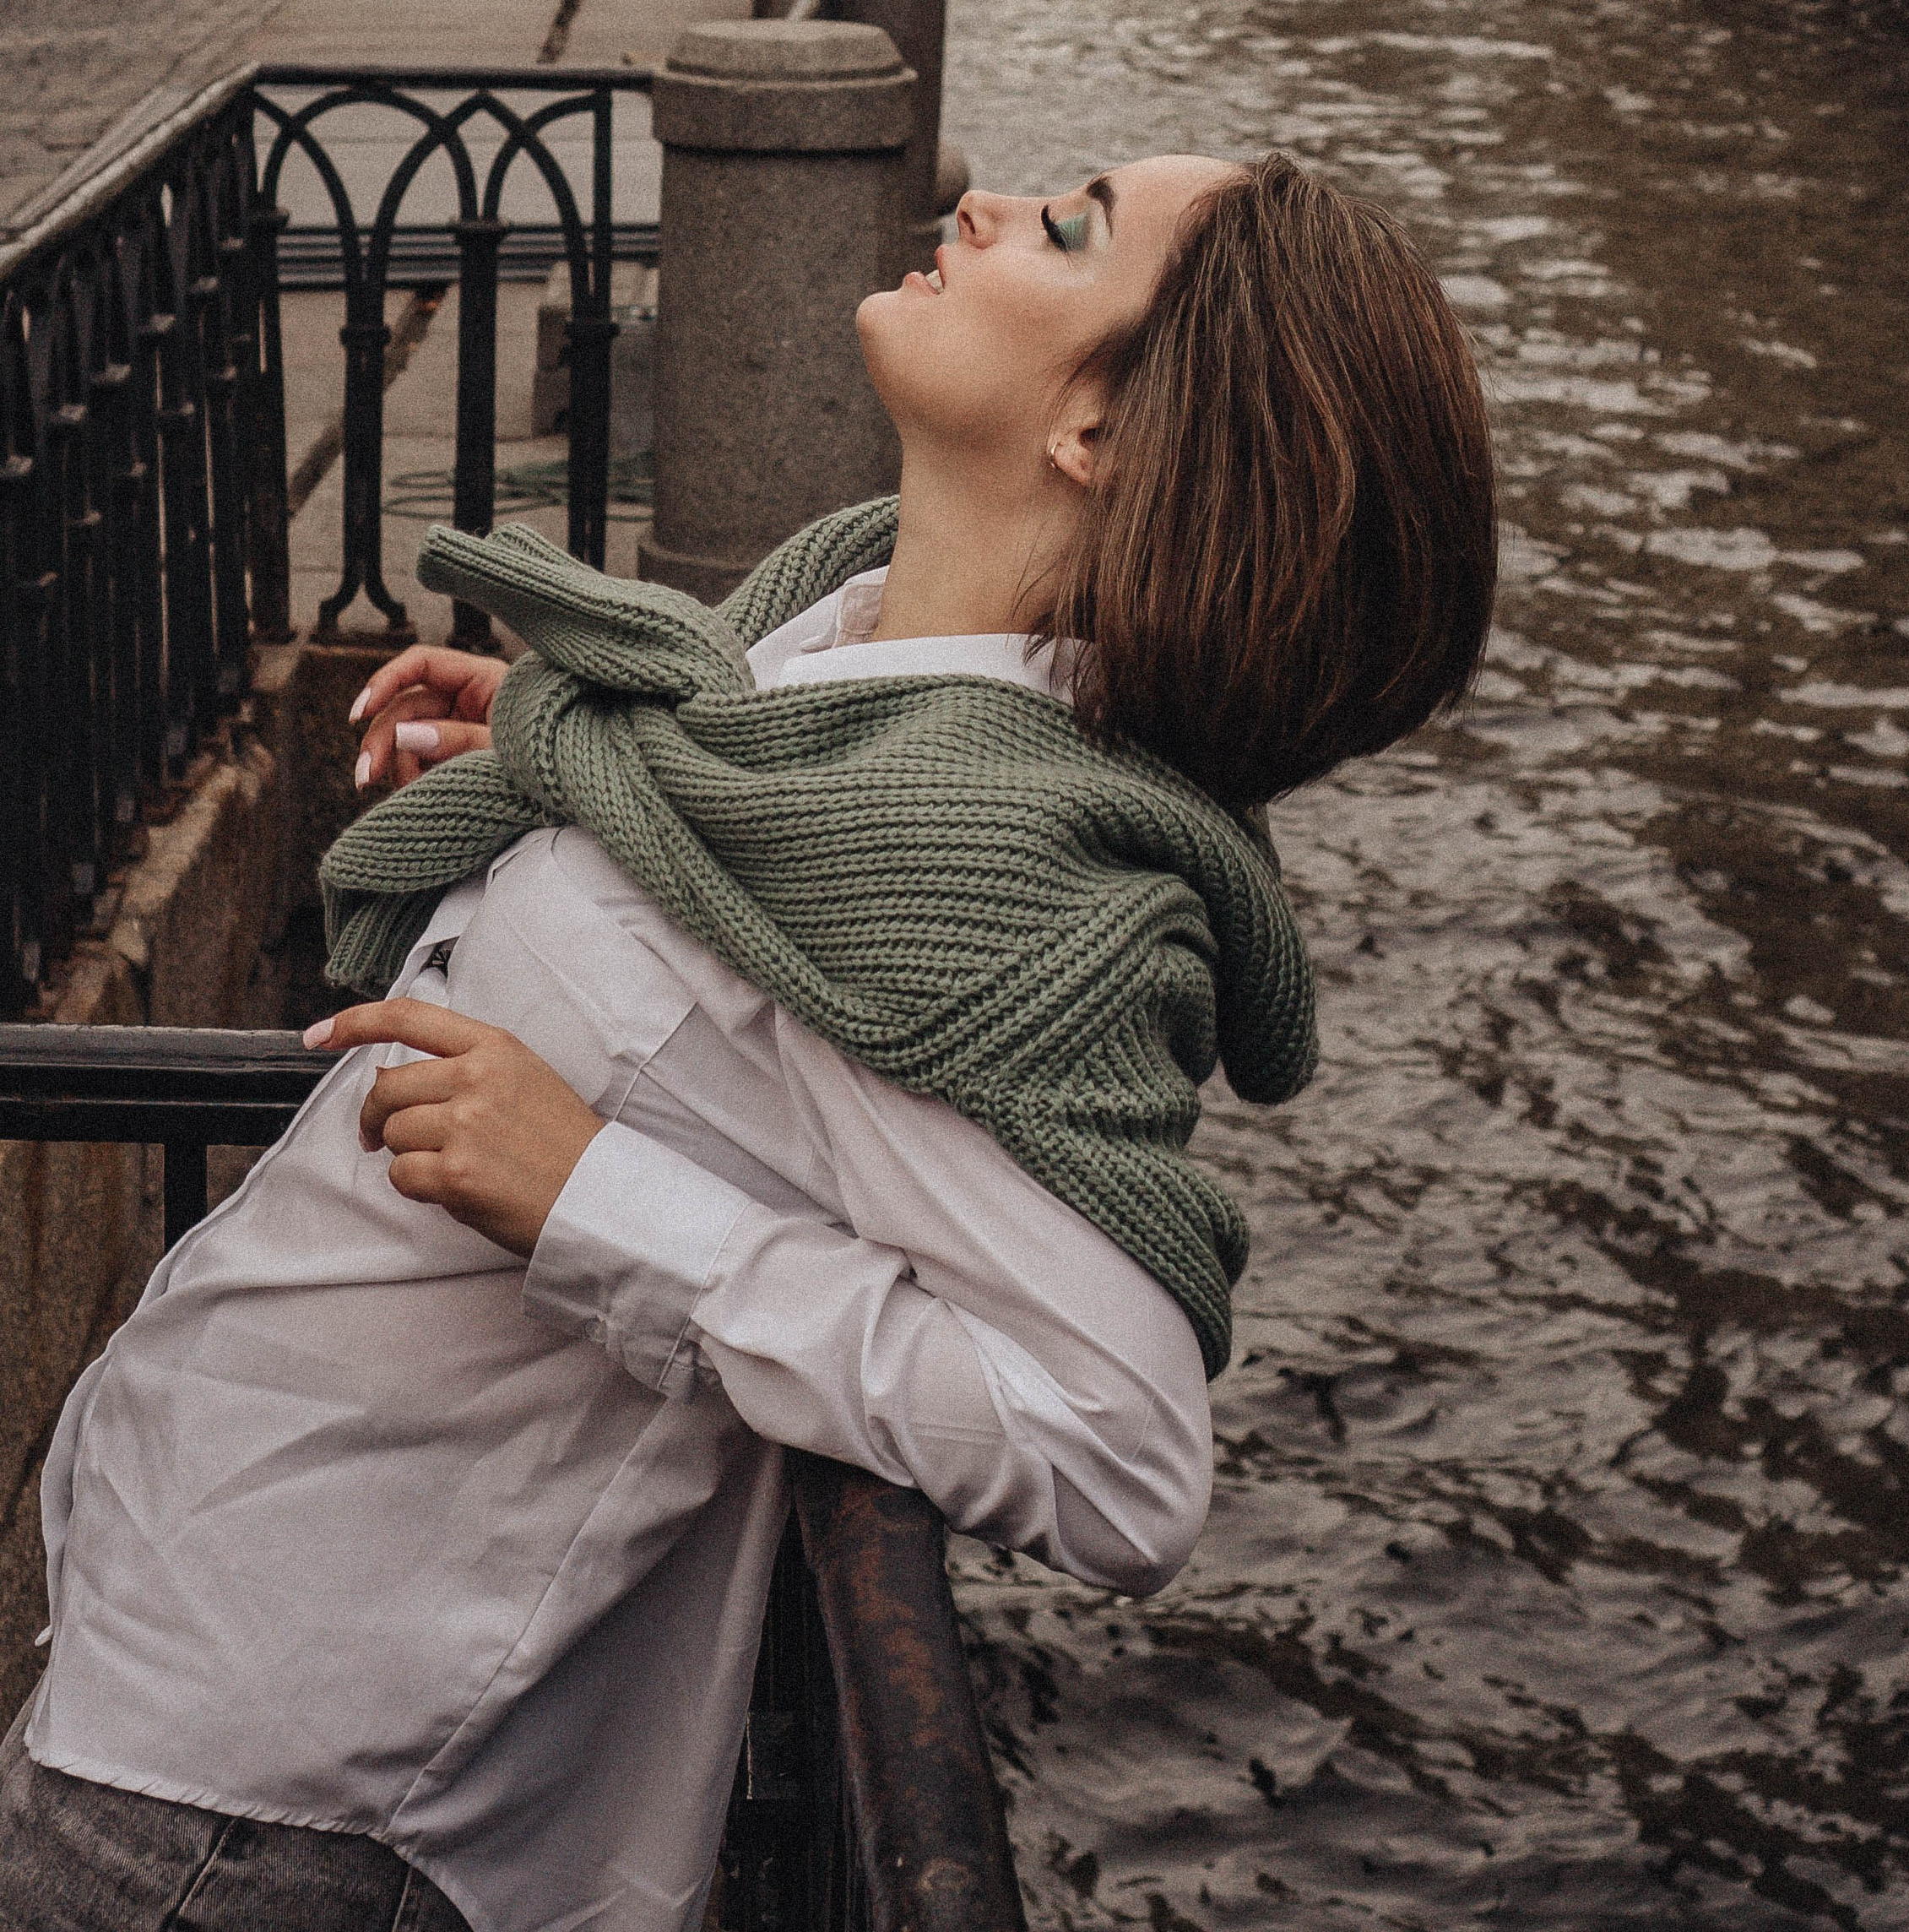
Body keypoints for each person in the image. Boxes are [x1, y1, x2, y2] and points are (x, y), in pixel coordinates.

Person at [0, 153, 1495, 1932]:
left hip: (283, 1771)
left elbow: (1113, 1456)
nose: (984, 200)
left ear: (1103, 432)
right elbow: (732, 908)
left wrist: (593, 1199)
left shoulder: (962, 878)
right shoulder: (827, 690)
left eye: (1069, 224)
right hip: (203, 1614)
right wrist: (570, 764)